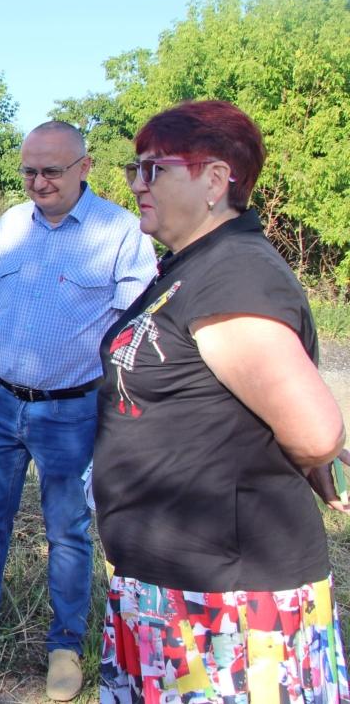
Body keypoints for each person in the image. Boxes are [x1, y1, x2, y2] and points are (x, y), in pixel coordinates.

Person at [93, 100, 348, 703]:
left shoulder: (234, 273)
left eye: (154, 169)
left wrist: (306, 459)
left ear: (214, 180)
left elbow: (315, 433)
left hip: (226, 601)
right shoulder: (193, 266)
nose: (137, 184)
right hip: (172, 585)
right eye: (135, 169)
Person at [0, 121, 157, 701]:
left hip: (72, 412)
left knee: (67, 532)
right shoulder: (12, 223)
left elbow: (132, 335)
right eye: (29, 171)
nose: (39, 182)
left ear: (84, 167)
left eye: (52, 171)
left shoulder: (120, 232)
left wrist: (120, 416)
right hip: (0, 403)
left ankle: (64, 646)